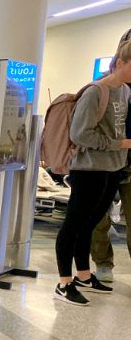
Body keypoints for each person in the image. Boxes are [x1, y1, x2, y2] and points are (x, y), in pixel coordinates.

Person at [54, 39, 131, 306]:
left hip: (112, 168)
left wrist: (119, 150)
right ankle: (64, 282)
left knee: (90, 224)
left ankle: (84, 276)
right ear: (119, 62)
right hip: (89, 169)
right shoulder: (96, 92)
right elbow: (80, 134)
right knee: (74, 225)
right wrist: (118, 144)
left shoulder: (125, 92)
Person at [89, 28, 131, 283]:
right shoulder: (106, 85)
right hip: (104, 162)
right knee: (97, 218)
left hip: (127, 162)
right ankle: (103, 262)